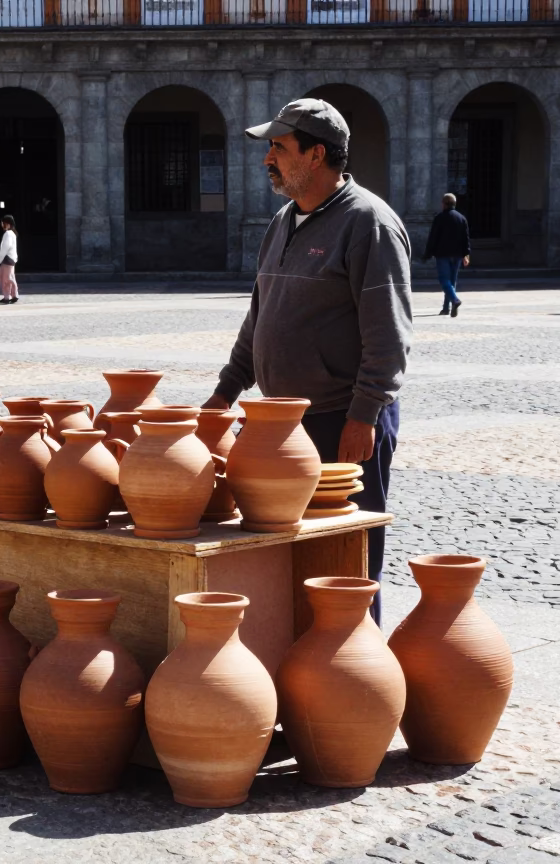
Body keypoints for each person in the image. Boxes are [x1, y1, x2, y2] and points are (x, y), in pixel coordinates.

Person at [201, 98, 413, 627]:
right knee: (291, 563)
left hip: (343, 422)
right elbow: (260, 316)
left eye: (279, 147)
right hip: (283, 428)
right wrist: (226, 391)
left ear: (316, 155)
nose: (267, 158)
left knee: (347, 565)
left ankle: (355, 661)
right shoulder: (283, 221)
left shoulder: (369, 223)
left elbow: (388, 334)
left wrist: (364, 414)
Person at [422, 193, 470, 317]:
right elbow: (466, 238)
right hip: (457, 254)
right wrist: (466, 254)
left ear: (444, 204)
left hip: (443, 254)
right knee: (452, 281)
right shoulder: (461, 218)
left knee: (444, 279)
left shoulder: (439, 218)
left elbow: (433, 237)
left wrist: (427, 253)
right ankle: (446, 308)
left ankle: (455, 300)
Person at [0, 215, 19, 305]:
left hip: (7, 258)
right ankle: (14, 295)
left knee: (5, 278)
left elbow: (5, 248)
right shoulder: (12, 233)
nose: (2, 224)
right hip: (11, 258)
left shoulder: (8, 234)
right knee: (9, 277)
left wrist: (0, 259)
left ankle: (7, 297)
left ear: (7, 224)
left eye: (3, 223)